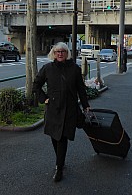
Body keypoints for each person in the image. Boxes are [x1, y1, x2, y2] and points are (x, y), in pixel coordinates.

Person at [33, 42, 90, 182]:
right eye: (57, 51)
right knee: (54, 136)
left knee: (62, 137)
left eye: (63, 51)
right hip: (53, 109)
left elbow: (81, 89)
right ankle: (60, 161)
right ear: (53, 53)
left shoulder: (75, 69)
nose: (60, 54)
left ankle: (59, 168)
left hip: (69, 109)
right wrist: (44, 99)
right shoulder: (47, 68)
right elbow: (36, 85)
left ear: (67, 53)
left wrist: (86, 105)